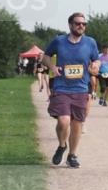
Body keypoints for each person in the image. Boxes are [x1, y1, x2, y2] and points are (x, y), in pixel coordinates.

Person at [41, 13, 101, 168]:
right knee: (63, 120)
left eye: (84, 24)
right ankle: (62, 145)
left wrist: (96, 65)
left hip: (81, 88)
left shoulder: (90, 42)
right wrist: (53, 67)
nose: (81, 26)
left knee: (77, 124)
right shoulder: (59, 41)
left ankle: (72, 155)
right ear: (70, 25)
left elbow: (96, 59)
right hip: (61, 87)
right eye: (78, 23)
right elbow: (45, 57)